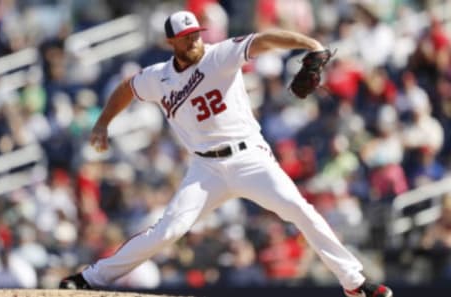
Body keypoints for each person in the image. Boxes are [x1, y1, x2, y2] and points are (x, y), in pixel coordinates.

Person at [59, 10, 393, 297]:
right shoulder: (158, 77)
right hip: (205, 170)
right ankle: (90, 278)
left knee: (299, 209)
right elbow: (127, 88)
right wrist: (103, 122)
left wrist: (311, 45)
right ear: (171, 43)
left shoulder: (219, 54)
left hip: (250, 159)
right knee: (167, 231)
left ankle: (355, 283)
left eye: (196, 34)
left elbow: (264, 40)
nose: (194, 41)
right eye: (186, 37)